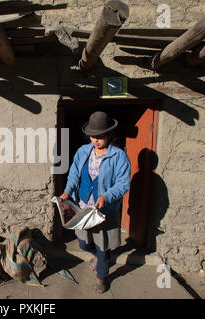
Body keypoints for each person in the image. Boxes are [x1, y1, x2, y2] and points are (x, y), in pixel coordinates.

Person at [60, 111, 131, 294]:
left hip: (103, 209)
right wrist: (67, 192)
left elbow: (123, 184)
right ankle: (98, 259)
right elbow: (74, 174)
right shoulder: (83, 152)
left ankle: (102, 276)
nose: (96, 140)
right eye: (93, 136)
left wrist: (105, 196)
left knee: (103, 245)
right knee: (83, 242)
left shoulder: (118, 156)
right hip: (83, 206)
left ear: (109, 135)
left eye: (100, 137)